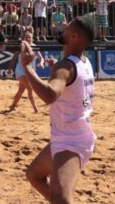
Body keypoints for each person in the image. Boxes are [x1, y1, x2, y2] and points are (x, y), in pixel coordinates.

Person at [22, 17, 96, 204]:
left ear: (74, 36)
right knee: (33, 175)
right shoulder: (84, 62)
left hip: (72, 140)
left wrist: (28, 67)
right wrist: (56, 71)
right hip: (66, 136)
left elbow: (49, 96)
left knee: (61, 199)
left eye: (66, 28)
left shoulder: (66, 67)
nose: (62, 29)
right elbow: (69, 88)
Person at [8, 30, 44, 113]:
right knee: (30, 88)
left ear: (32, 39)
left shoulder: (34, 46)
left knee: (21, 90)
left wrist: (41, 63)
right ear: (23, 38)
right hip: (20, 69)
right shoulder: (21, 46)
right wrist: (10, 69)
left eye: (30, 37)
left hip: (30, 70)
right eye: (26, 37)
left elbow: (41, 58)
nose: (28, 38)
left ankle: (13, 105)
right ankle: (35, 109)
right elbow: (13, 58)